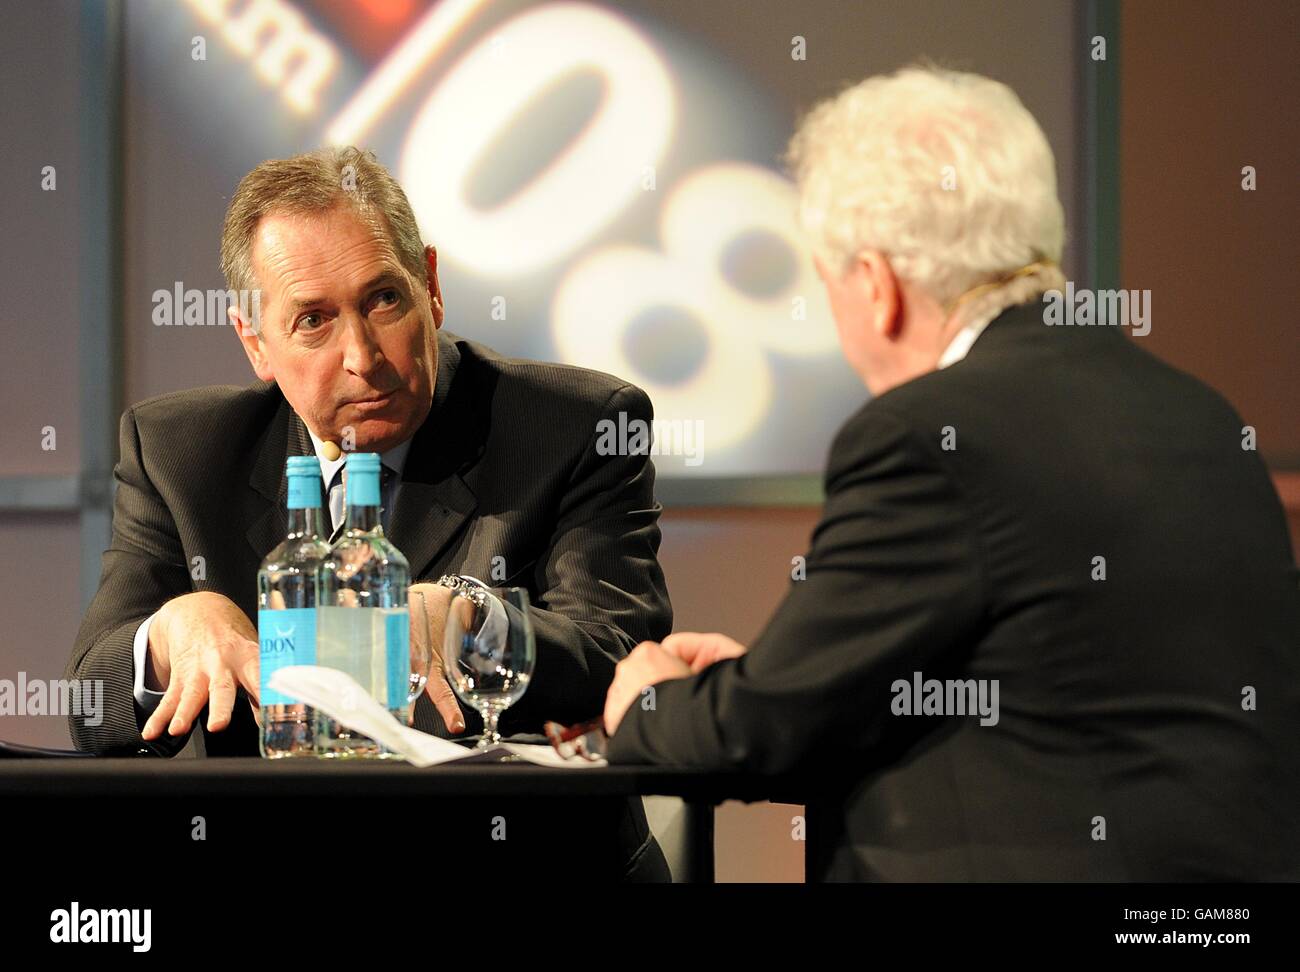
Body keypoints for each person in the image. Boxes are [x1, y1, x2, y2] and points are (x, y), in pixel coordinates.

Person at [602, 66, 1300, 881]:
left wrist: (652, 702)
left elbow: (766, 731)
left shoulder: (926, 435)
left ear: (876, 285)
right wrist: (764, 679)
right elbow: (1045, 683)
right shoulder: (1204, 415)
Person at [65, 147, 673, 880]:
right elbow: (88, 703)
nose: (361, 356)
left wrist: (480, 622)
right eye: (313, 321)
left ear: (432, 287)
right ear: (255, 342)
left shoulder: (577, 427)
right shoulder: (178, 454)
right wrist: (167, 637)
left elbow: (625, 661)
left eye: (384, 299)